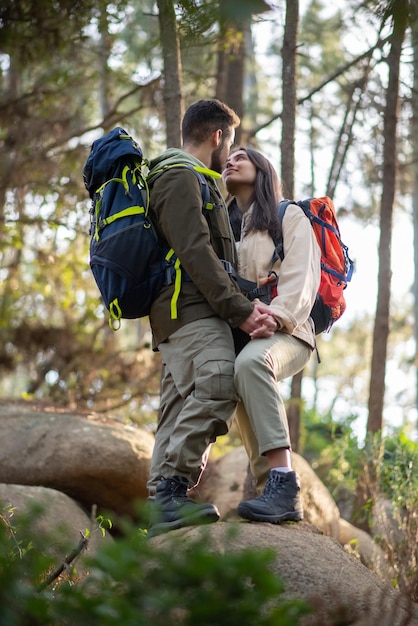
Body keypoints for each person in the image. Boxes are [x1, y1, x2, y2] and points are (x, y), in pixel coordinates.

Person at [146, 101, 270, 537]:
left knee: (178, 405)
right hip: (191, 310)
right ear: (218, 136)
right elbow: (195, 251)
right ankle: (172, 491)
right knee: (219, 384)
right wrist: (239, 311)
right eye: (231, 143)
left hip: (184, 312)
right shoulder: (179, 175)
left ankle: (162, 503)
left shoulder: (185, 177)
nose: (230, 152)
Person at [222, 147, 321, 524]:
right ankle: (271, 494)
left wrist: (276, 318)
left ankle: (283, 483)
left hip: (292, 332)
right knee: (238, 374)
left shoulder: (287, 214)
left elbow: (302, 277)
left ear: (262, 170)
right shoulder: (227, 225)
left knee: (250, 364)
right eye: (228, 157)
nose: (231, 160)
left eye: (242, 157)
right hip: (246, 335)